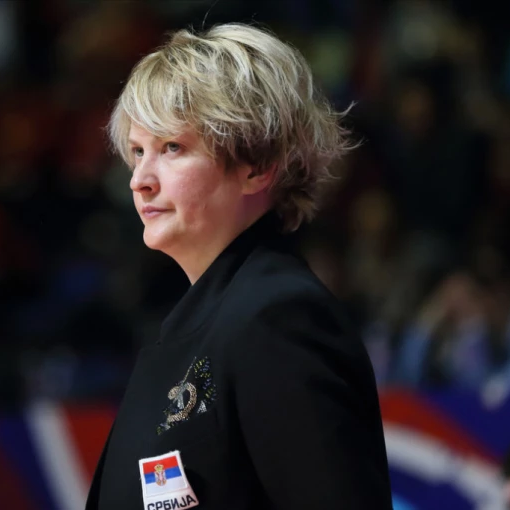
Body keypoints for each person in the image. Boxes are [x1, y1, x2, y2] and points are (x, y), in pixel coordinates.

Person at [85, 23, 392, 509]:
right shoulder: (201, 321)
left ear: (257, 165)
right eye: (138, 151)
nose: (139, 180)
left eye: (172, 148)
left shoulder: (278, 317)